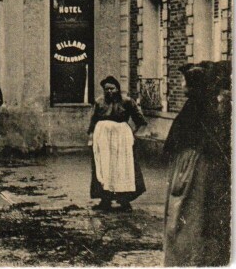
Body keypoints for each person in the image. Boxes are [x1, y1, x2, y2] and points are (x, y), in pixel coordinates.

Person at [163, 61, 231, 266]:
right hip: (193, 163)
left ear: (194, 86)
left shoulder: (198, 107)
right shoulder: (200, 105)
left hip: (192, 165)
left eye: (185, 81)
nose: (182, 85)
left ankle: (187, 257)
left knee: (188, 209)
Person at [88, 76, 147, 212]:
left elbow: (140, 120)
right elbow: (93, 120)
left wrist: (132, 133)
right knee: (103, 167)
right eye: (106, 89)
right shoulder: (99, 102)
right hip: (102, 137)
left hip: (122, 139)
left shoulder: (127, 101)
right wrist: (91, 137)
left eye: (112, 88)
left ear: (118, 89)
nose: (109, 92)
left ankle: (124, 201)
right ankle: (105, 200)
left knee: (124, 167)